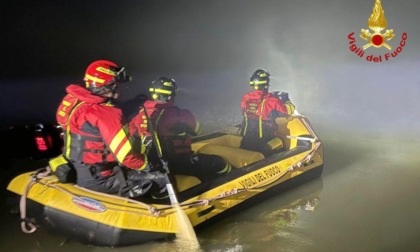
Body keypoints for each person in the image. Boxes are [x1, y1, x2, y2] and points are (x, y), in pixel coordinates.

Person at [55, 60, 167, 198]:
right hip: (100, 179)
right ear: (110, 85)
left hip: (76, 169)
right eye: (119, 85)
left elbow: (89, 123)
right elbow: (127, 157)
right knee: (162, 181)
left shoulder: (72, 100)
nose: (122, 89)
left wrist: (129, 105)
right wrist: (149, 164)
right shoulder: (106, 113)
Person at [130, 77, 232, 181]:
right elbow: (198, 129)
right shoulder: (180, 114)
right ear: (170, 97)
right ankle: (230, 180)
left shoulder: (138, 115)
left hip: (154, 164)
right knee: (217, 162)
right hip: (178, 162)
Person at [240, 69, 295, 157]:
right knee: (279, 141)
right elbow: (289, 111)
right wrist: (285, 100)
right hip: (263, 143)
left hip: (246, 141)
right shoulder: (271, 101)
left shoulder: (246, 98)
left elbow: (250, 111)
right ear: (265, 85)